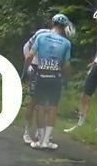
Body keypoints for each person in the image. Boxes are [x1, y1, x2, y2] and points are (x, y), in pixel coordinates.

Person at [23, 15, 73, 150]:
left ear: (53, 23)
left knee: (39, 105)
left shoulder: (41, 36)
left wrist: (25, 70)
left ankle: (39, 140)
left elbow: (29, 55)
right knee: (52, 107)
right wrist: (67, 78)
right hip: (55, 76)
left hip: (41, 73)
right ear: (64, 27)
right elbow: (66, 65)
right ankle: (46, 140)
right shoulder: (66, 43)